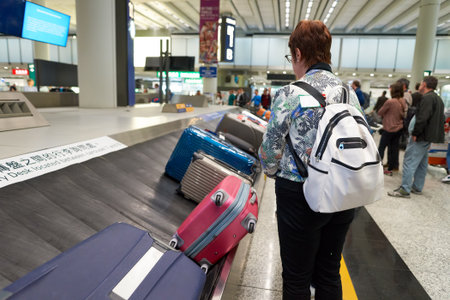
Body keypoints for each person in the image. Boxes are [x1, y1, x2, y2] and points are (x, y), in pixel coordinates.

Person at [259, 20, 361, 300]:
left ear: (299, 54)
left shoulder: (289, 94)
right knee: (329, 272)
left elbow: (270, 150)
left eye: (292, 56)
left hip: (298, 194)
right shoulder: (349, 93)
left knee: (296, 276)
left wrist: (269, 170)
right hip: (342, 191)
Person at [388, 76, 445, 198]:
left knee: (409, 161)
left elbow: (422, 117)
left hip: (421, 136)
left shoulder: (427, 98)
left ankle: (404, 189)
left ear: (424, 84)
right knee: (422, 163)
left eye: (421, 83)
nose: (420, 85)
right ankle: (417, 186)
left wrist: (415, 133)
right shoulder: (437, 99)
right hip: (428, 136)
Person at [377, 82, 407, 175]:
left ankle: (378, 165)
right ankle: (393, 166)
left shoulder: (390, 101)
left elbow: (380, 112)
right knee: (394, 148)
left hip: (389, 128)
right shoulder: (403, 101)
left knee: (381, 148)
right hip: (399, 128)